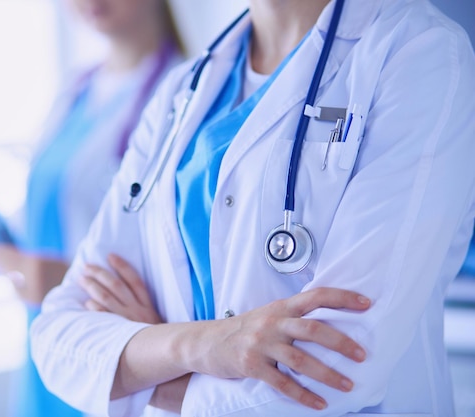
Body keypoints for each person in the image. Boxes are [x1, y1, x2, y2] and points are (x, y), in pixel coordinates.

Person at [29, 0, 475, 416]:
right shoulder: (182, 91)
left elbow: (337, 369)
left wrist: (147, 368)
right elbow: (57, 339)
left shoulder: (421, 54)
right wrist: (203, 346)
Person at [0, 0, 185, 416]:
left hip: (114, 347)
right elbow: (32, 226)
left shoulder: (185, 93)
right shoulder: (76, 89)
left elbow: (180, 258)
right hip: (46, 339)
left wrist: (70, 279)